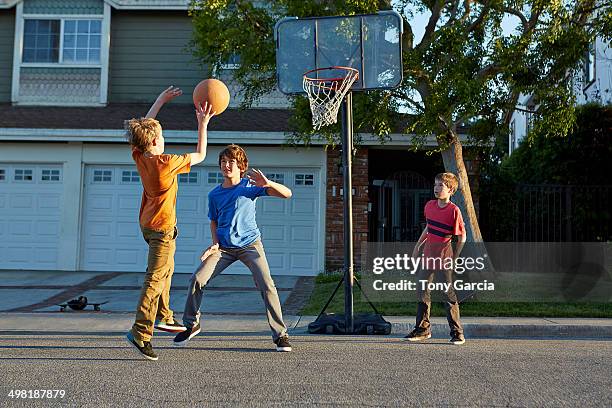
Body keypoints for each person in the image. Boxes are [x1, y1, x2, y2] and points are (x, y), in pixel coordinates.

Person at [173, 144, 293, 352]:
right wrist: (214, 243)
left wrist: (268, 183)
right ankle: (191, 324)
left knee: (267, 285)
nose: (227, 165)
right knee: (197, 279)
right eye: (223, 162)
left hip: (250, 245)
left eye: (231, 162)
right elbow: (213, 221)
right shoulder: (214, 195)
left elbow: (287, 194)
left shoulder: (249, 186)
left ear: (241, 166)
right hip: (224, 249)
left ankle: (280, 335)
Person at [124, 86, 215, 360]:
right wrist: (202, 124)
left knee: (166, 270)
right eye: (161, 136)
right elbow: (200, 155)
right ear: (153, 142)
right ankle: (140, 332)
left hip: (148, 225)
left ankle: (164, 315)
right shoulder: (166, 163)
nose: (164, 138)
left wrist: (160, 101)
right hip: (162, 228)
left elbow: (143, 129)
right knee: (155, 278)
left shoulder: (140, 156)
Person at [405, 172, 467, 345]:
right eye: (435, 185)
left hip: (444, 258)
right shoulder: (429, 206)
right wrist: (417, 246)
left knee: (447, 294)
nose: (436, 188)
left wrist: (455, 257)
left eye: (441, 185)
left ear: (451, 190)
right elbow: (429, 229)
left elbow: (462, 236)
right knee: (422, 292)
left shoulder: (454, 211)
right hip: (428, 257)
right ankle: (423, 330)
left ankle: (457, 333)